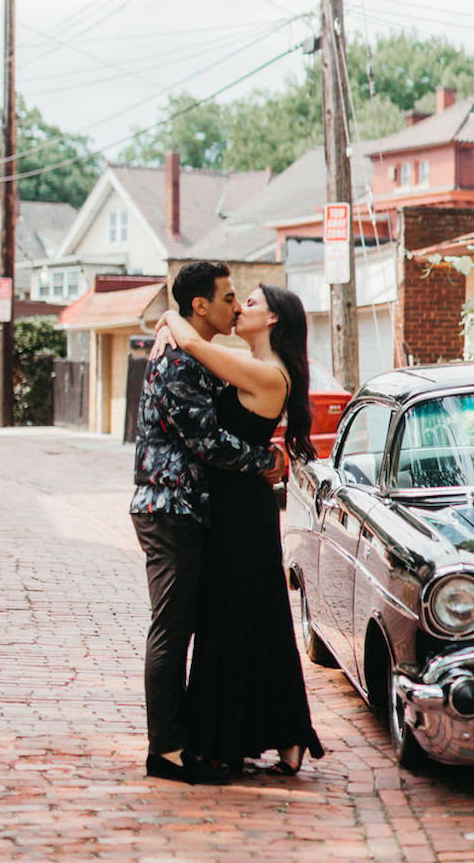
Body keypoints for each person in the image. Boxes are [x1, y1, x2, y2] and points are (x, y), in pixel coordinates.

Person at [155, 282, 324, 776]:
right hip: (232, 504)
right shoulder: (254, 363)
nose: (240, 309)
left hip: (241, 511)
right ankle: (280, 735)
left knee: (241, 620)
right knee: (246, 620)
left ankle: (257, 735)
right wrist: (170, 321)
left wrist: (171, 319)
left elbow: (193, 344)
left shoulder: (269, 374)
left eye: (250, 303)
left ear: (272, 319)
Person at [130, 260, 287, 786]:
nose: (236, 305)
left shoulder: (194, 356)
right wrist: (265, 462)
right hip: (168, 510)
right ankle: (167, 751)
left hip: (188, 508)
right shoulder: (177, 361)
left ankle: (190, 738)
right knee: (172, 629)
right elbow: (206, 441)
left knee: (187, 627)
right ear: (200, 305)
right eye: (227, 297)